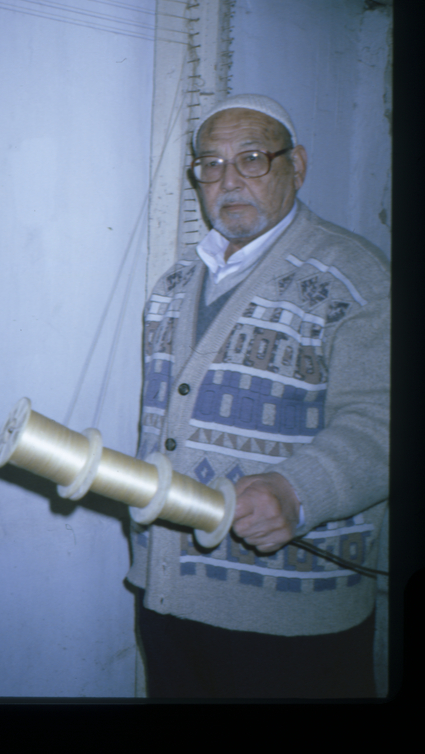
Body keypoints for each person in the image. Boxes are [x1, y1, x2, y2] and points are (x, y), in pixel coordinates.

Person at [126, 94, 389, 699]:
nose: (228, 180)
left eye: (251, 158)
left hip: (288, 616)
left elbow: (387, 416)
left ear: (296, 165)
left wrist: (299, 492)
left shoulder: (355, 276)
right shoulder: (172, 285)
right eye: (210, 165)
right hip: (166, 594)